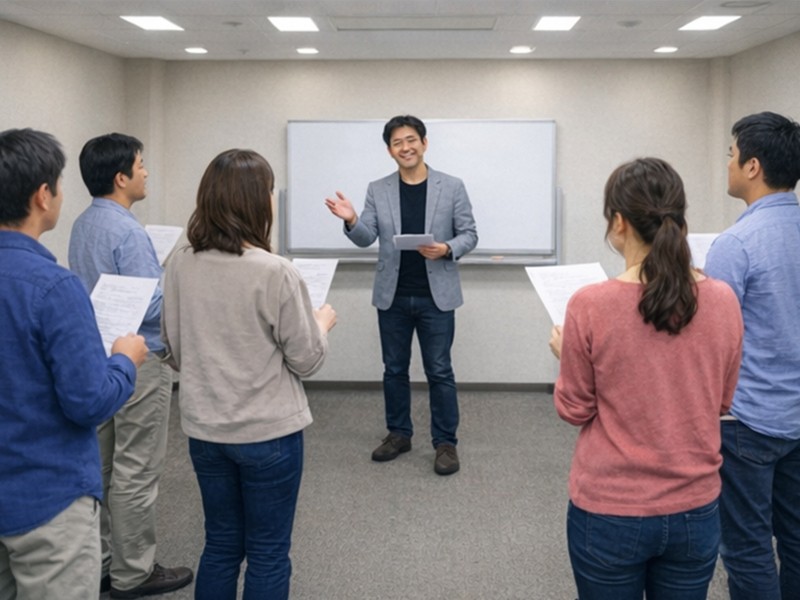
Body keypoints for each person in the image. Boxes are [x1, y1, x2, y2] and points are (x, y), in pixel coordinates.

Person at [549, 157, 743, 599]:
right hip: (695, 506)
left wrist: (567, 357)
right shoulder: (723, 299)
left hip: (610, 509)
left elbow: (574, 409)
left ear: (618, 222)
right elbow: (722, 402)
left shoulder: (589, 304)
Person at [161, 148, 336, 600]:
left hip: (204, 429)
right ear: (259, 200)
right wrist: (321, 324)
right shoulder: (276, 271)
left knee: (220, 545)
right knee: (268, 552)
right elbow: (306, 360)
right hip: (268, 433)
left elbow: (173, 351)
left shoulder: (180, 262)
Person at [0, 128, 148, 599]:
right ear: (43, 196)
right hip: (47, 497)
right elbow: (89, 402)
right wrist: (124, 361)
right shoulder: (53, 287)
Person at [68, 133, 193, 598]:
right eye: (140, 165)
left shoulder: (84, 223)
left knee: (103, 465)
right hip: (139, 359)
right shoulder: (127, 232)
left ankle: (103, 563)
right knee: (137, 468)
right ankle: (134, 572)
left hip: (97, 356)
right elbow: (152, 305)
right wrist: (175, 282)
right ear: (121, 178)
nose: (146, 172)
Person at [325, 115, 478, 475]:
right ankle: (399, 434)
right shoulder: (378, 189)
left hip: (436, 297)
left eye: (411, 140)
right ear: (389, 150)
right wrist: (351, 220)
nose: (405, 147)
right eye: (397, 143)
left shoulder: (451, 186)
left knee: (439, 370)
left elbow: (469, 234)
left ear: (424, 143)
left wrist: (446, 248)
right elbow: (366, 237)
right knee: (394, 369)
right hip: (392, 296)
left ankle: (445, 443)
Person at [704, 111, 800, 600]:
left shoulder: (736, 243)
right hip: (797, 416)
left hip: (748, 422)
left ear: (753, 166)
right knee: (797, 539)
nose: (727, 163)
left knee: (747, 548)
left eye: (731, 154)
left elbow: (712, 339)